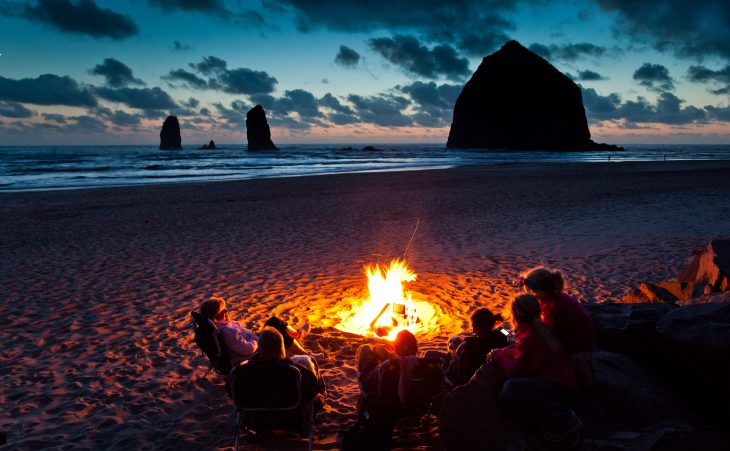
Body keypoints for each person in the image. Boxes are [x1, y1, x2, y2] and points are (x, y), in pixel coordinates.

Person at [492, 294, 582, 446]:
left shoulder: (530, 338)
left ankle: (565, 419)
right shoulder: (540, 330)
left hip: (558, 389)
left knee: (511, 388)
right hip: (564, 387)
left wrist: (498, 357)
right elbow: (522, 353)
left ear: (516, 317)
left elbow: (515, 371)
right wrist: (503, 352)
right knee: (510, 391)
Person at [521, 267, 595, 388]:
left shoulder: (554, 308)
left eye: (529, 292)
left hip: (578, 348)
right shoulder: (555, 298)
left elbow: (549, 336)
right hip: (575, 340)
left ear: (541, 293)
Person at [198, 297, 309, 366]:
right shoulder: (227, 332)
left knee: (274, 321)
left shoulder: (226, 324)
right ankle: (306, 354)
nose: (227, 311)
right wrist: (256, 338)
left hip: (254, 339)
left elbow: (245, 332)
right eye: (223, 311)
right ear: (214, 316)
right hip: (254, 349)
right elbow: (247, 349)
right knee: (276, 328)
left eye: (226, 308)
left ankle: (295, 335)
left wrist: (254, 335)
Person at [253, 327, 324, 403]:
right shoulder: (295, 372)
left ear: (259, 349)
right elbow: (313, 390)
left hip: (257, 413)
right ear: (282, 348)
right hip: (290, 412)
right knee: (306, 360)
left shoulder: (246, 372)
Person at [446, 308, 510, 385]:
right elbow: (513, 340)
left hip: (468, 381)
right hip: (497, 374)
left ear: (484, 327)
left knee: (430, 354)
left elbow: (463, 374)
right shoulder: (503, 332)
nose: (473, 331)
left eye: (474, 326)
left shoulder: (471, 344)